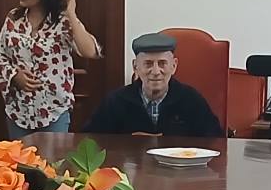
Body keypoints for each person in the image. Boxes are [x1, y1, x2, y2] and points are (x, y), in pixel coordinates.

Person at [0, 0, 99, 137]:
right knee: (20, 162)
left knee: (52, 163)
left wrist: (71, 13)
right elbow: (0, 56)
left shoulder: (63, 21)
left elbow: (90, 51)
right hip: (19, 110)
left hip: (54, 110)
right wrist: (14, 76)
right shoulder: (14, 17)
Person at [84, 32, 225, 137]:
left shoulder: (191, 100)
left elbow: (215, 141)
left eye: (162, 63)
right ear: (135, 67)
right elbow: (91, 141)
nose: (156, 71)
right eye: (148, 64)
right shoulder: (115, 101)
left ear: (174, 66)